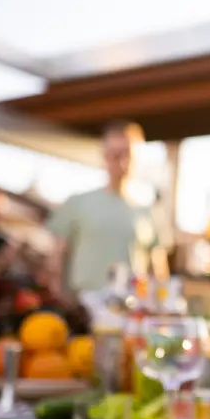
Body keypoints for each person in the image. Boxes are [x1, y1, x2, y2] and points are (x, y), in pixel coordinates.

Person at [45, 120, 169, 301]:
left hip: (133, 306)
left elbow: (158, 270)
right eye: (115, 155)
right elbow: (56, 259)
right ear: (104, 157)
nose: (122, 162)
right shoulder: (77, 203)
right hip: (83, 304)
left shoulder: (148, 210)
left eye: (127, 154)